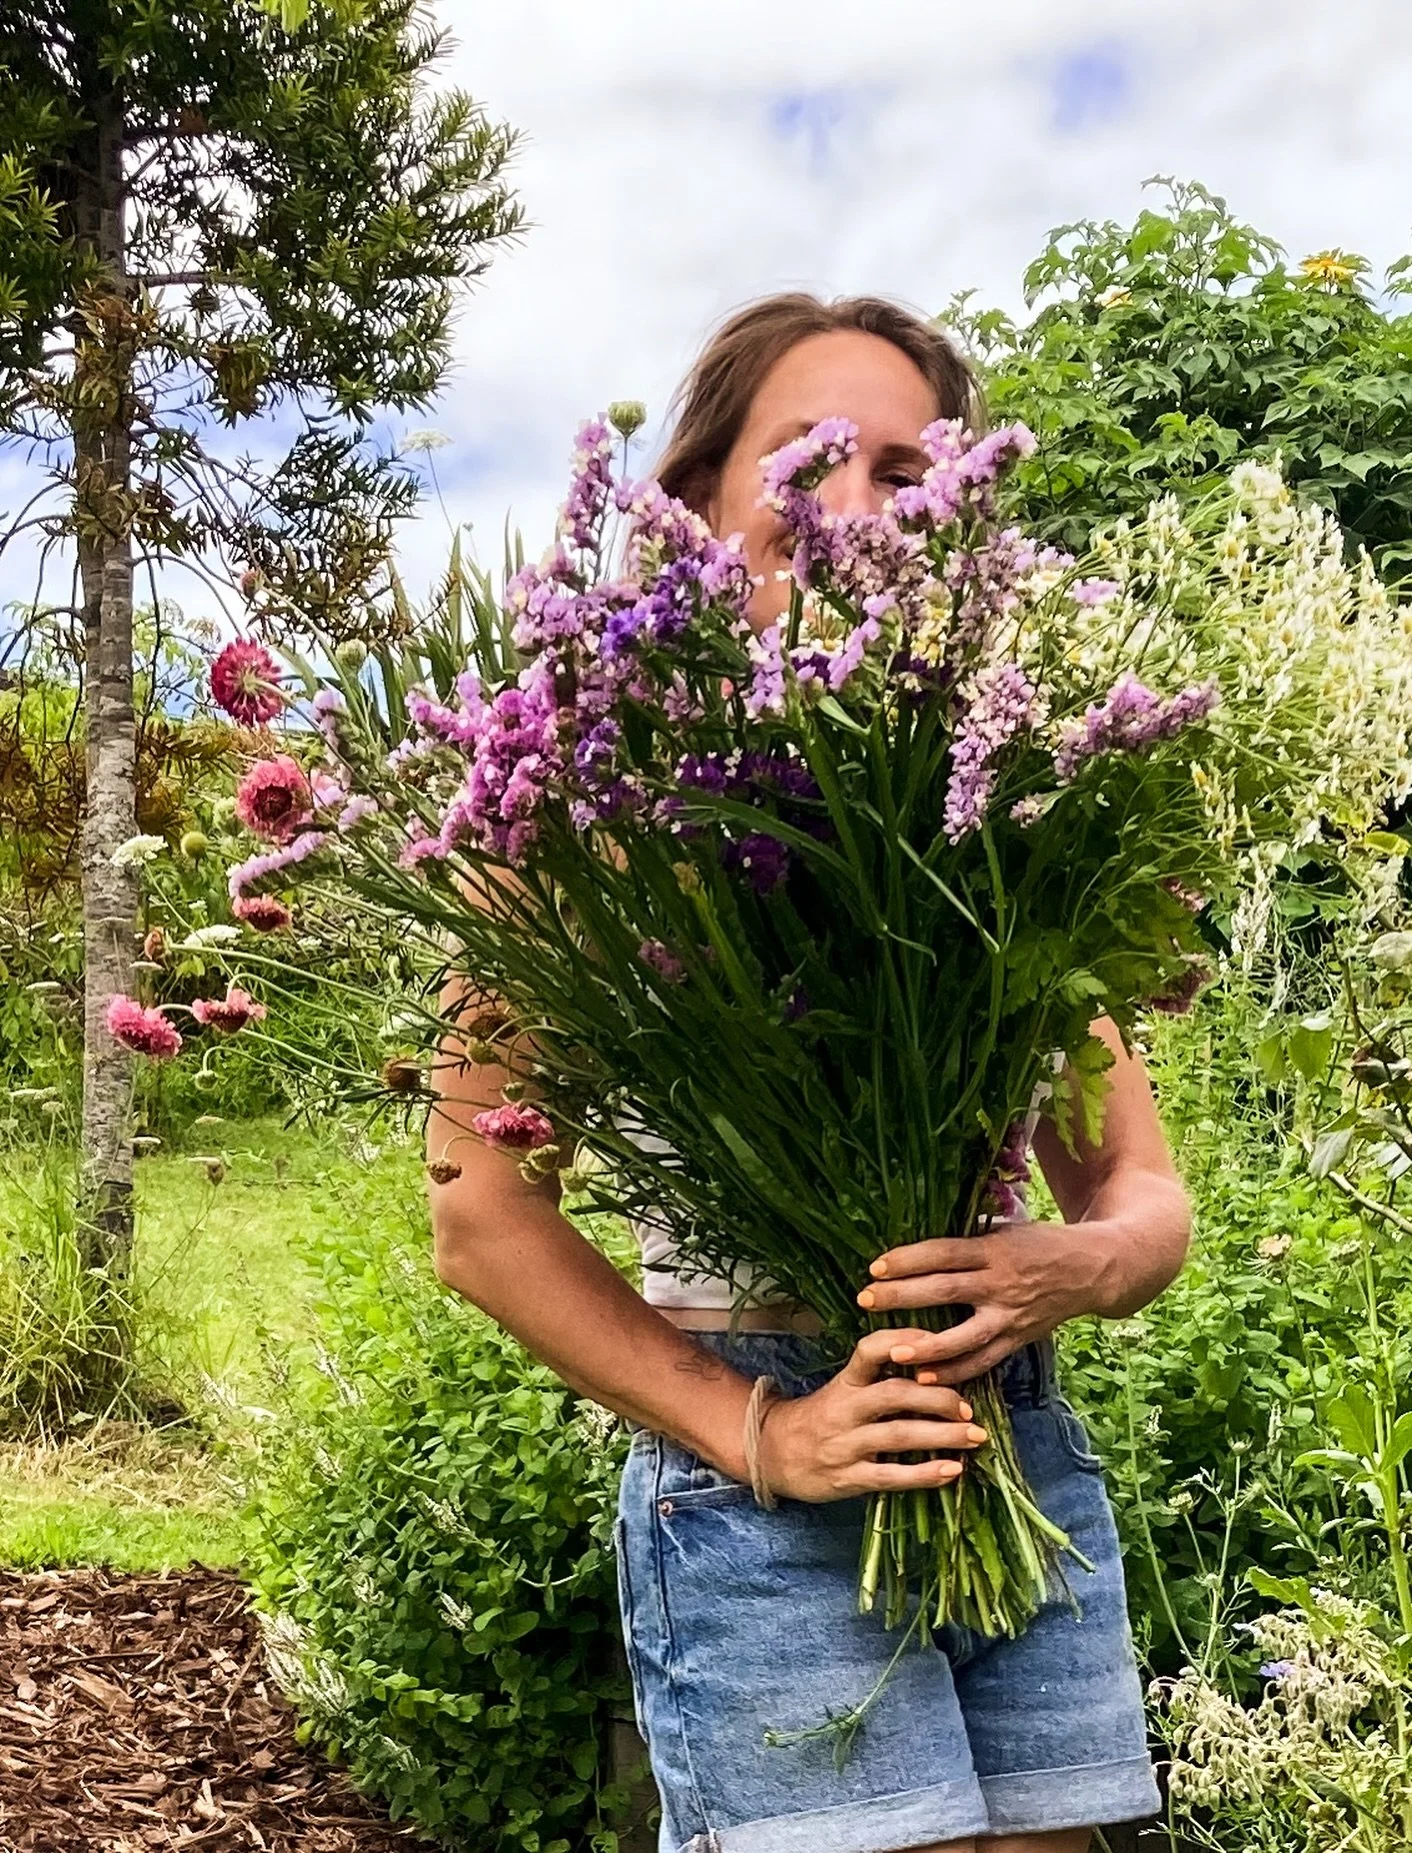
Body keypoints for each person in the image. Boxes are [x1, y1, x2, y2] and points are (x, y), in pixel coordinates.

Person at [429, 292, 1192, 1853]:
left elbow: (1140, 1189)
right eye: (806, 459)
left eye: (907, 475)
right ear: (701, 501)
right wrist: (755, 1435)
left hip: (1011, 1435)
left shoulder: (1018, 824)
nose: (852, 509)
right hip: (761, 1478)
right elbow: (480, 1216)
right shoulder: (583, 816)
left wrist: (1082, 1265)